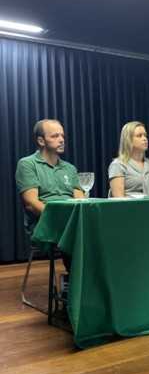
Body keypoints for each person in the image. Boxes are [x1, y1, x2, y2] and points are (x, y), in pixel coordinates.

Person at [15, 119, 84, 279]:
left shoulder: (70, 168)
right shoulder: (28, 164)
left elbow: (80, 201)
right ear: (41, 140)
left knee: (99, 231)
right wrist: (62, 220)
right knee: (78, 234)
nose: (62, 139)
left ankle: (88, 286)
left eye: (62, 135)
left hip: (71, 222)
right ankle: (77, 288)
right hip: (43, 223)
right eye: (55, 136)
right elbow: (31, 204)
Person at [108, 121, 149, 198]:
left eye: (145, 135)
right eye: (139, 136)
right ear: (128, 140)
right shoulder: (118, 165)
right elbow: (119, 199)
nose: (144, 139)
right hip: (131, 208)